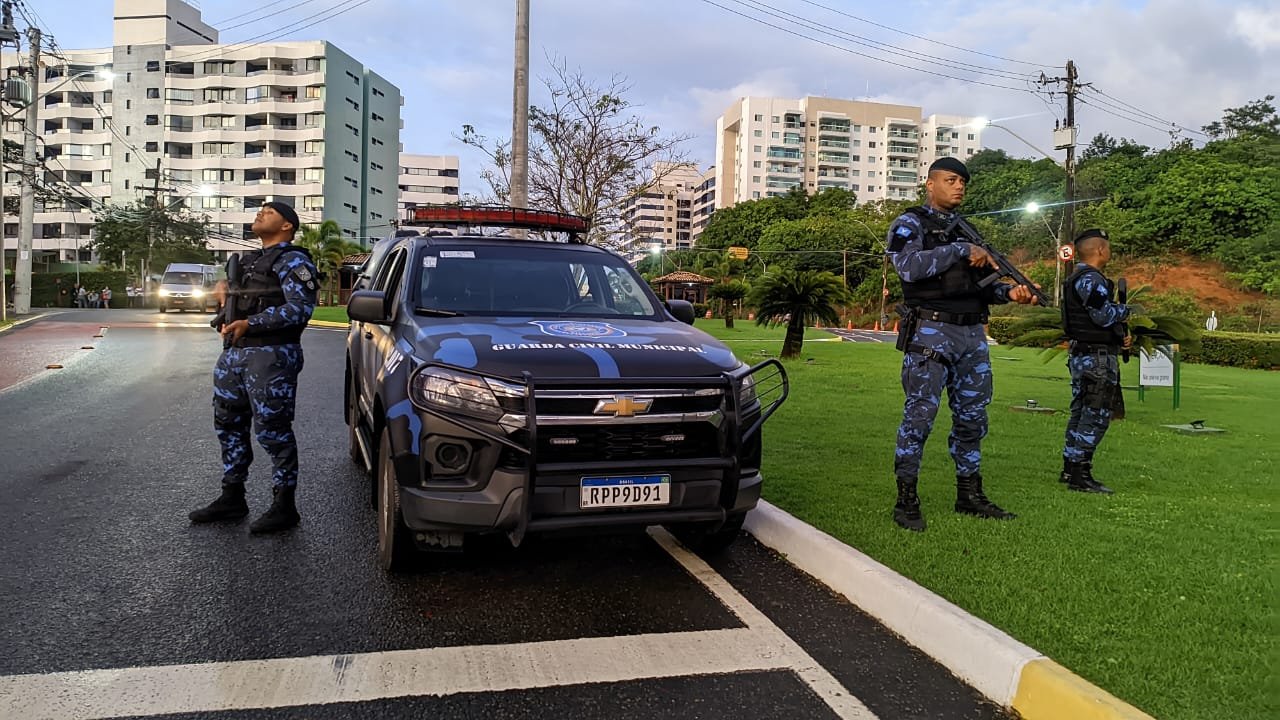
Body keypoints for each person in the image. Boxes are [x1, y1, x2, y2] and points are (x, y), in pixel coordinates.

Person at [886, 157, 1040, 532]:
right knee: (919, 416)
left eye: (962, 183)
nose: (958, 187)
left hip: (972, 336)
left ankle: (968, 494)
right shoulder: (910, 224)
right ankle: (906, 499)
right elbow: (908, 267)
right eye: (951, 180)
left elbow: (980, 287)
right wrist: (958, 251)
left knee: (973, 418)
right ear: (930, 184)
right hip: (930, 333)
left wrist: (1012, 294)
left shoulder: (968, 232)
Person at [189, 201, 319, 534]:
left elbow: (300, 310)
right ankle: (232, 497)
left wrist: (252, 323)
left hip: (271, 355)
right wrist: (223, 298)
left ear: (287, 225)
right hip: (234, 354)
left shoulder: (293, 260)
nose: (260, 213)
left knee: (273, 430)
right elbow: (238, 304)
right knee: (228, 424)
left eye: (270, 211)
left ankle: (284, 504)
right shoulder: (248, 262)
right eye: (259, 210)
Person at [1059, 229, 1137, 494]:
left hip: (1086, 353)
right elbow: (1102, 316)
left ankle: (1071, 467)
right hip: (1096, 359)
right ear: (1101, 250)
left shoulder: (1078, 278)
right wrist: (1125, 311)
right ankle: (1081, 472)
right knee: (1096, 413)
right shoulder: (1091, 280)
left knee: (1081, 411)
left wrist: (1119, 338)